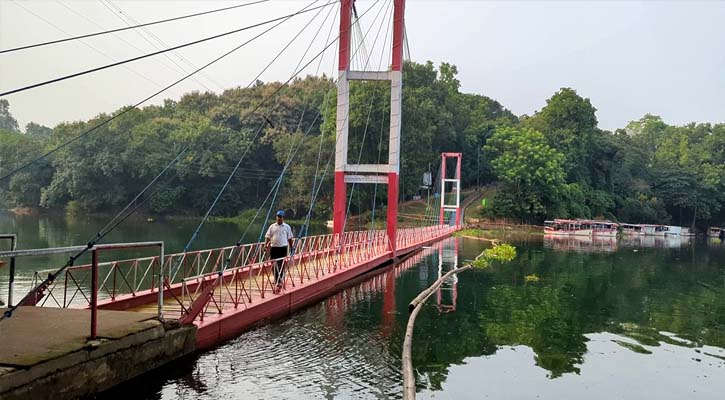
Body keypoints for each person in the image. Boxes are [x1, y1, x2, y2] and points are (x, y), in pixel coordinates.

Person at [265, 210, 294, 292]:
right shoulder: (272, 226)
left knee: (280, 264)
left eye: (280, 217)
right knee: (273, 264)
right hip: (274, 248)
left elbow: (290, 238)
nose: (279, 218)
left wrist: (292, 247)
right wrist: (265, 245)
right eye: (278, 216)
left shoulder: (287, 227)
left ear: (283, 218)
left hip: (283, 248)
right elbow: (267, 236)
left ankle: (279, 281)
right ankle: (277, 278)